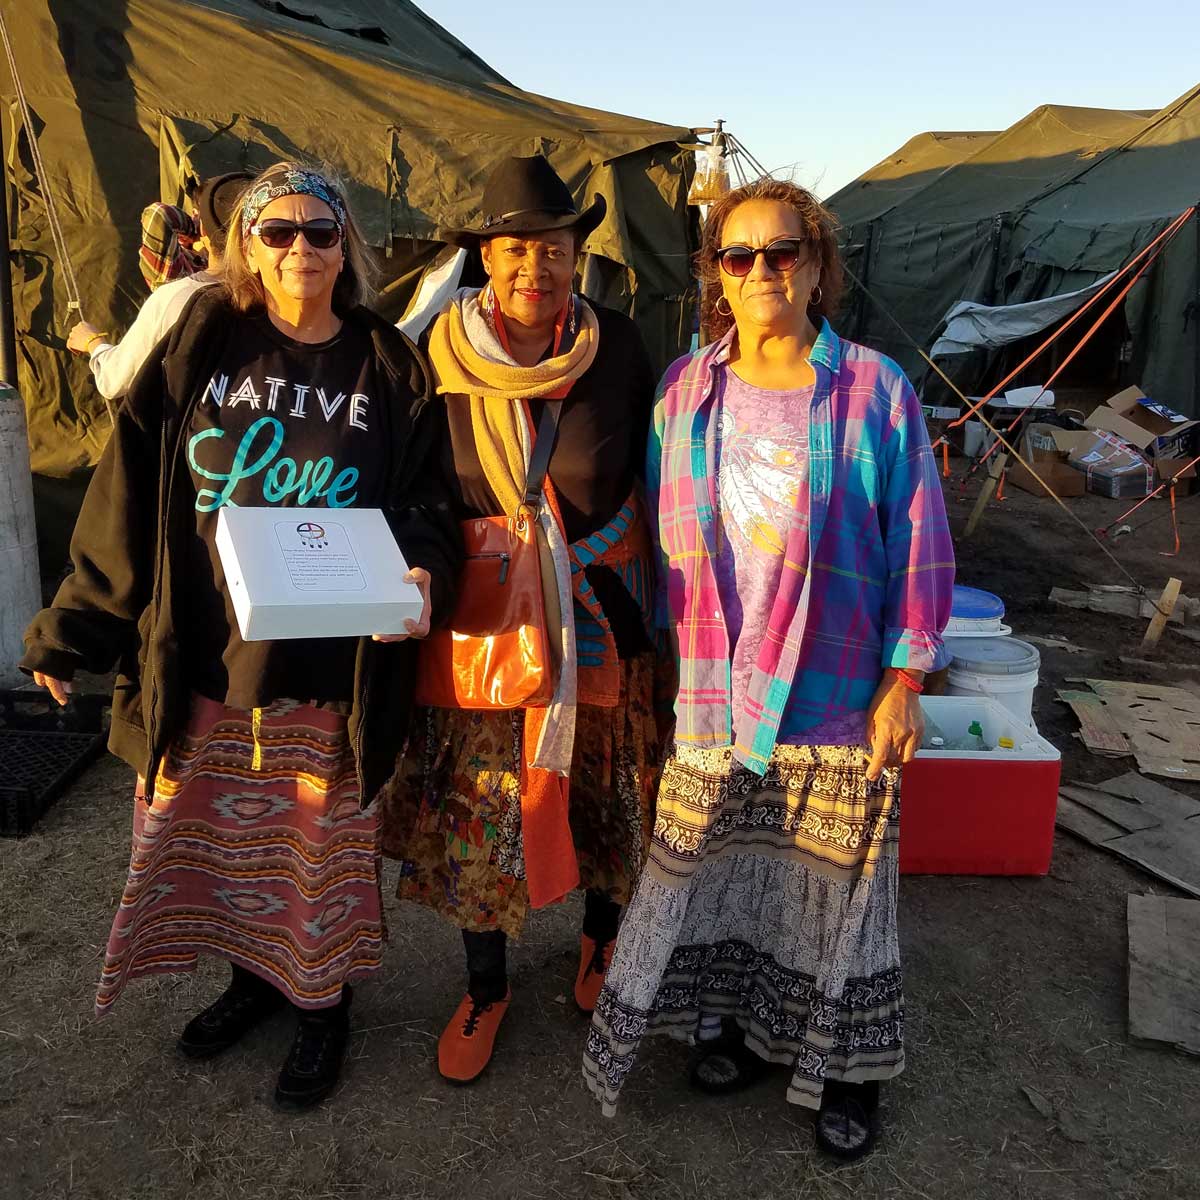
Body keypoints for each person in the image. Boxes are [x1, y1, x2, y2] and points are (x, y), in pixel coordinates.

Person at [23, 161, 460, 1111]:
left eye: (322, 231)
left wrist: (422, 564)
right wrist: (77, 626)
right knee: (224, 840)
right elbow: (129, 488)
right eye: (279, 232)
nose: (302, 247)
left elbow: (430, 498)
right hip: (212, 651)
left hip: (336, 664)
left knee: (315, 843)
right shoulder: (202, 341)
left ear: (349, 248)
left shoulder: (388, 362)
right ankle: (252, 983)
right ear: (245, 249)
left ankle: (320, 1006)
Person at [583, 178, 955, 1160]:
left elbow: (919, 538)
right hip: (716, 685)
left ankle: (847, 1068)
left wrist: (906, 675)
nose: (759, 273)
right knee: (729, 874)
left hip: (838, 692)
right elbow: (668, 549)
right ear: (715, 276)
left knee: (839, 889)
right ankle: (746, 1032)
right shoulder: (685, 391)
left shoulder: (875, 391)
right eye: (736, 257)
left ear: (819, 265)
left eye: (780, 253)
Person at [379, 155, 662, 1084]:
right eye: (513, 250)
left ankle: (599, 944)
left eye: (552, 248)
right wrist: (416, 566)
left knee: (610, 800)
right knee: (486, 812)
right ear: (485, 258)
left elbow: (662, 479)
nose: (533, 268)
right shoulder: (435, 361)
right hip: (487, 620)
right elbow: (416, 489)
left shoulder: (620, 348)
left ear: (579, 255)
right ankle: (487, 987)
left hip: (601, 612)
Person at [67, 173, 254, 399]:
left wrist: (93, 342)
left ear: (203, 229)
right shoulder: (281, 291)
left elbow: (113, 381)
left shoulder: (177, 292)